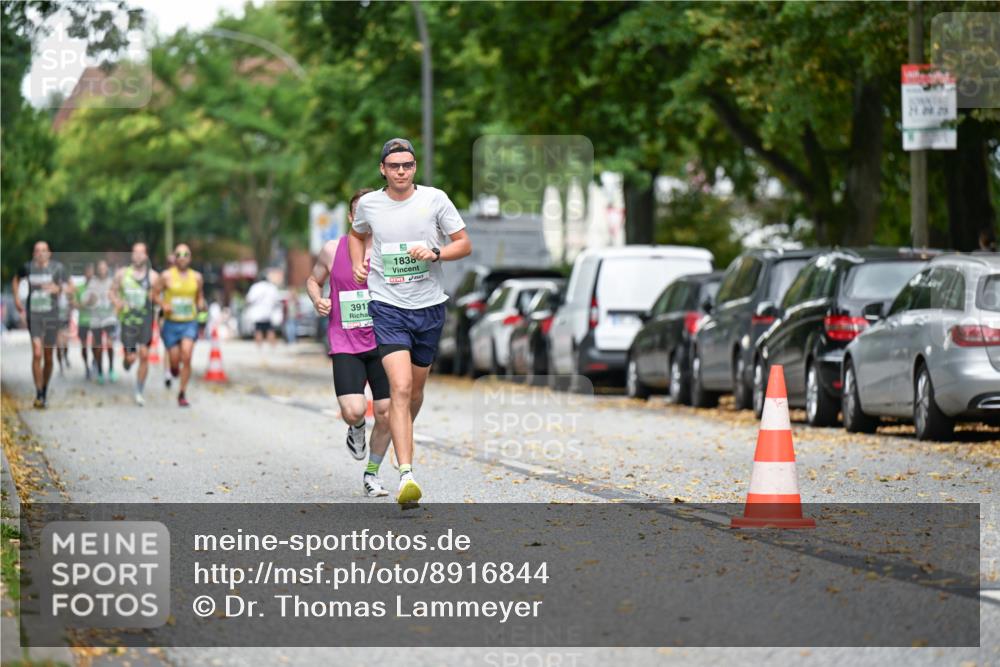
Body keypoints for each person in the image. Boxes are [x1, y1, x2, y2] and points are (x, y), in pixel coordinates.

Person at [350, 138, 472, 505]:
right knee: (399, 388)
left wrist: (436, 252)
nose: (402, 171)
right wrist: (359, 262)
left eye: (408, 165)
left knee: (415, 393)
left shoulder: (435, 199)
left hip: (429, 307)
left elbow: (463, 244)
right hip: (387, 306)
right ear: (382, 170)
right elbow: (357, 234)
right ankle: (406, 475)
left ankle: (402, 433)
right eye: (394, 166)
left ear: (414, 167)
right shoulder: (370, 203)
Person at [308, 188, 395, 497]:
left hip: (384, 341)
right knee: (354, 410)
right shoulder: (334, 249)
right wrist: (318, 299)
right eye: (360, 212)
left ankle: (372, 474)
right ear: (350, 216)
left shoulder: (389, 250)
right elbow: (313, 279)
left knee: (386, 411)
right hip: (346, 341)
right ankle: (356, 429)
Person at [13, 241, 69, 408]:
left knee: (48, 356)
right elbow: (16, 279)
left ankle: (44, 388)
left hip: (52, 316)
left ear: (49, 253)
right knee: (37, 353)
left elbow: (70, 286)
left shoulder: (57, 268)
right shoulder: (28, 267)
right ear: (33, 253)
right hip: (34, 315)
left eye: (44, 250)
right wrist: (16, 298)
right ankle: (38, 393)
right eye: (37, 250)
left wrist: (58, 289)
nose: (41, 253)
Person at [153, 243, 205, 407]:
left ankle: (182, 393)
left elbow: (199, 297)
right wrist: (163, 304)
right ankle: (174, 369)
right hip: (171, 323)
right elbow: (153, 294)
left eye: (186, 254)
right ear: (174, 258)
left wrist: (201, 304)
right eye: (179, 254)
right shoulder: (166, 276)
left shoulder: (197, 277)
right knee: (175, 360)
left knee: (187, 355)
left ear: (190, 258)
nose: (182, 257)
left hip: (189, 322)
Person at [113, 242, 159, 405]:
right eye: (135, 253)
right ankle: (126, 362)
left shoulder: (153, 277)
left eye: (141, 253)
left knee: (145, 355)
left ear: (146, 256)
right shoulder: (122, 274)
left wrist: (156, 299)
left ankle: (139, 390)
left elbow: (159, 297)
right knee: (131, 358)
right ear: (132, 255)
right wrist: (117, 302)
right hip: (128, 322)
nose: (138, 256)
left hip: (146, 320)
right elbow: (112, 292)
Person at [85, 260, 118, 385]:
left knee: (109, 344)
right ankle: (99, 371)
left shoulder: (111, 282)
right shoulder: (92, 283)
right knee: (98, 347)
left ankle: (111, 369)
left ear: (107, 269)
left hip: (109, 318)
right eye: (100, 268)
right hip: (96, 319)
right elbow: (85, 301)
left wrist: (114, 300)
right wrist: (90, 298)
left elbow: (117, 298)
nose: (102, 270)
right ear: (97, 270)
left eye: (104, 268)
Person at [245, 272, 281, 348]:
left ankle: (259, 348)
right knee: (270, 330)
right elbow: (277, 300)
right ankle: (272, 347)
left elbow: (249, 299)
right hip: (269, 313)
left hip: (258, 313)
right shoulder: (272, 287)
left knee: (258, 330)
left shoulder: (255, 287)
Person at [74, 263, 95, 380]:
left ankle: (95, 362)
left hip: (95, 321)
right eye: (88, 272)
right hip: (83, 321)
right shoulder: (79, 288)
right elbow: (74, 303)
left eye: (92, 272)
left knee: (96, 345)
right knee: (84, 347)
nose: (90, 275)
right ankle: (86, 366)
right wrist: (82, 304)